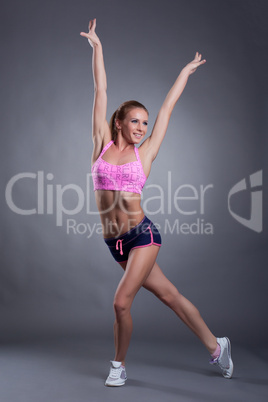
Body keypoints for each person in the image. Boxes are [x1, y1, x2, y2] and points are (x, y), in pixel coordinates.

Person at [80, 18, 233, 387]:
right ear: (118, 122)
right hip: (113, 242)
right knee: (169, 295)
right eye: (135, 121)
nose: (141, 128)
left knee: (120, 303)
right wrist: (98, 48)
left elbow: (168, 109)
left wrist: (184, 73)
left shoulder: (144, 154)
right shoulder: (100, 142)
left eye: (144, 124)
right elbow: (100, 88)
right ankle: (217, 346)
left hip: (142, 236)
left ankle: (118, 366)